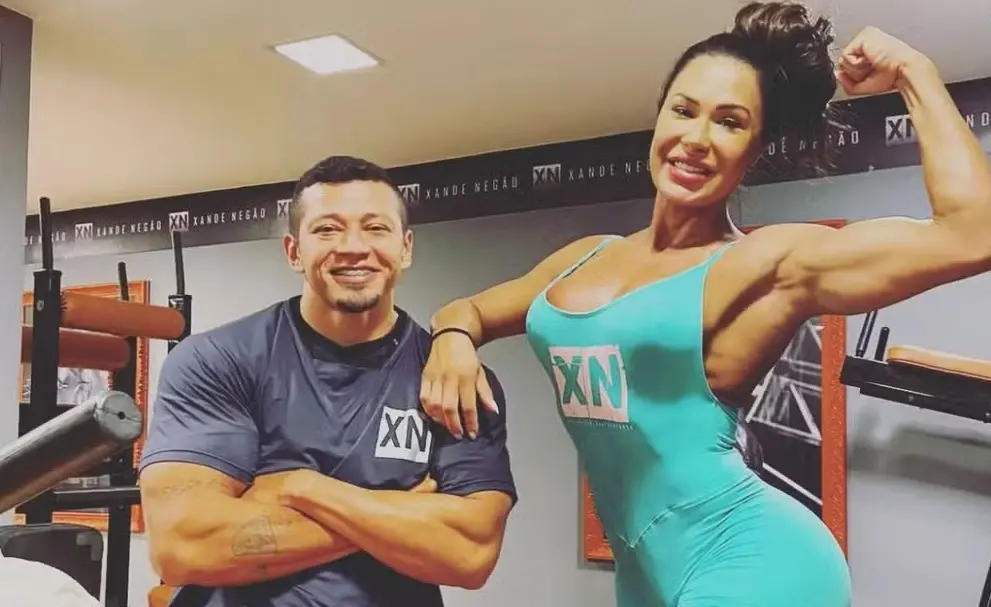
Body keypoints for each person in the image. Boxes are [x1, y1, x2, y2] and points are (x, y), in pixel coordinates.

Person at [420, 2, 991, 606]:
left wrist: (912, 71)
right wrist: (452, 339)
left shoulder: (767, 264)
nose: (696, 139)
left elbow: (972, 235)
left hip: (754, 561)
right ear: (659, 115)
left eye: (729, 122)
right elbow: (468, 311)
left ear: (756, 147)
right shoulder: (583, 258)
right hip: (645, 573)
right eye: (684, 110)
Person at [138, 155, 518, 607]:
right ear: (294, 252)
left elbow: (469, 554)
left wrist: (302, 487)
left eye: (375, 228)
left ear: (405, 248)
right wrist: (397, 510)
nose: (353, 247)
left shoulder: (455, 383)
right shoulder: (218, 361)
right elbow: (183, 546)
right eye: (327, 230)